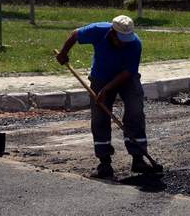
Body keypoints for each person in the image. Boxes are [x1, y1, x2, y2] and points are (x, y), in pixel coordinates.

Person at [56, 15, 158, 179]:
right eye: (121, 39)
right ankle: (104, 163)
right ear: (112, 32)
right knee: (99, 117)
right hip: (101, 76)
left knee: (135, 111)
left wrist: (106, 90)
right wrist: (63, 53)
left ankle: (138, 159)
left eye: (127, 39)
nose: (124, 42)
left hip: (126, 78)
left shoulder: (135, 43)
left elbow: (128, 72)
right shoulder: (98, 30)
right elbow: (75, 34)